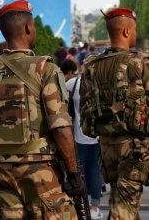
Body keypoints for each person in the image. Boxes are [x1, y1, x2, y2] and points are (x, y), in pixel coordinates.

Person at [0, 0, 83, 219]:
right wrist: (74, 174)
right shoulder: (45, 69)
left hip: (0, 170)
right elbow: (60, 128)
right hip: (40, 173)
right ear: (28, 28)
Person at [80, 8, 149, 219]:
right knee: (124, 208)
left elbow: (84, 106)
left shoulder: (91, 67)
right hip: (134, 147)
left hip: (106, 146)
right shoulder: (141, 62)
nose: (136, 34)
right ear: (127, 32)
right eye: (135, 30)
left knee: (119, 201)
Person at [66, 76, 103, 219]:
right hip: (97, 135)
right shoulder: (101, 82)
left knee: (76, 171)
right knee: (95, 171)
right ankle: (94, 208)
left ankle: (77, 206)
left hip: (78, 136)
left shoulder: (73, 83)